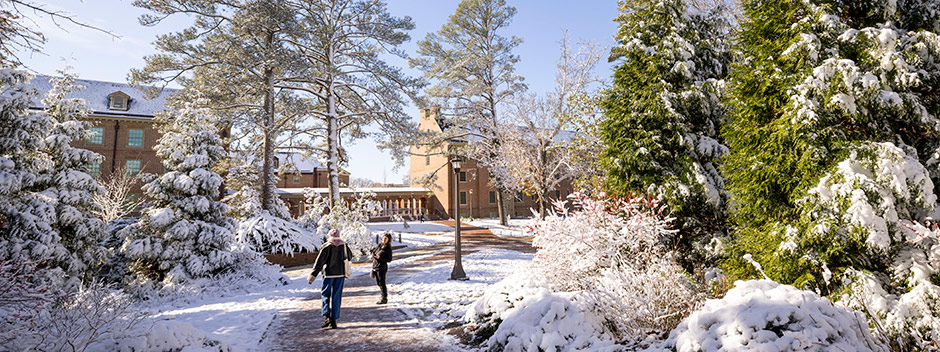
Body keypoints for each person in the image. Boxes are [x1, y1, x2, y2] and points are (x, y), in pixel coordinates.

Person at [308, 229, 353, 329]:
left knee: (325, 294)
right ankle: (334, 320)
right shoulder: (344, 245)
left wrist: (312, 276)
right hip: (340, 274)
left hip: (328, 275)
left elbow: (319, 262)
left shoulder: (327, 246)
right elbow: (349, 257)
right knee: (337, 297)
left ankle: (327, 316)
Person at [371, 233, 393, 304]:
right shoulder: (380, 245)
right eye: (383, 238)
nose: (384, 239)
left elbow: (389, 259)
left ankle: (384, 297)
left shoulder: (388, 248)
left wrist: (380, 258)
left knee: (382, 282)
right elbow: (374, 252)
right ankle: (383, 295)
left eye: (386, 238)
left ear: (388, 240)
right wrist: (373, 254)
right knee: (379, 283)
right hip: (375, 266)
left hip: (382, 267)